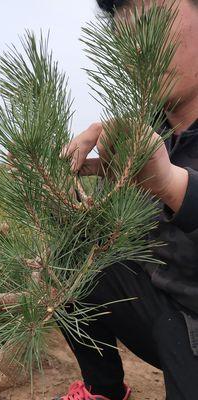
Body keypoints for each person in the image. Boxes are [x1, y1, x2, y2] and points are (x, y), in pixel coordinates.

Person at [53, 1, 198, 399]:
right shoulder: (150, 134)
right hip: (168, 319)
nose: (138, 49)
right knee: (73, 250)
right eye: (123, 36)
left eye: (153, 23)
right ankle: (104, 390)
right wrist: (57, 193)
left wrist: (171, 184)